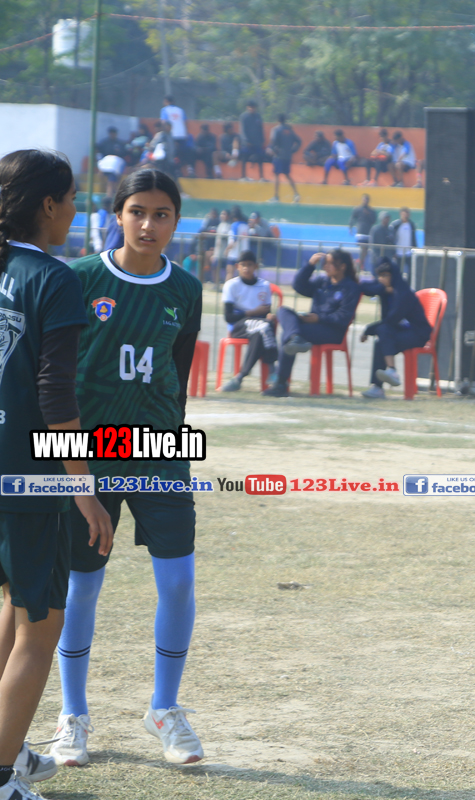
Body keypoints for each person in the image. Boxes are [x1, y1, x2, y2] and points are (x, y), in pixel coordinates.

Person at [47, 167, 205, 770]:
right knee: (83, 584)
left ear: (176, 221)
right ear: (118, 214)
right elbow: (54, 376)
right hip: (86, 450)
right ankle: (72, 716)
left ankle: (165, 709)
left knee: (179, 581)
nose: (148, 224)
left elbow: (178, 371)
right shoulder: (79, 277)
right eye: (137, 211)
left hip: (160, 448)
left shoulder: (185, 288)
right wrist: (69, 461)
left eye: (162, 214)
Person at [0, 149, 113, 800]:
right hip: (28, 478)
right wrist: (83, 489)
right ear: (48, 205)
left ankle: (4, 745)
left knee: (12, 607)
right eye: (72, 197)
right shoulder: (53, 278)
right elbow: (56, 397)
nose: (76, 209)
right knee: (40, 630)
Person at [263, 250, 360, 397]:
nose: (326, 266)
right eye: (325, 263)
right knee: (283, 311)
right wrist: (309, 266)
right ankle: (295, 338)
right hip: (313, 324)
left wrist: (319, 318)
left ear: (342, 266)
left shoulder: (351, 287)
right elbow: (298, 286)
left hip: (332, 331)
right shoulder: (322, 282)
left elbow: (343, 318)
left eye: (330, 263)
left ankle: (281, 383)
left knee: (287, 335)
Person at [359, 259, 433, 399]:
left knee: (383, 332)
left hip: (418, 333)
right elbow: (369, 289)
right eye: (379, 276)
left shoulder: (404, 294)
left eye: (384, 275)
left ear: (393, 276)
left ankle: (392, 371)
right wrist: (356, 282)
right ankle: (378, 387)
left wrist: (368, 330)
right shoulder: (385, 291)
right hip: (402, 330)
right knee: (380, 342)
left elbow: (392, 319)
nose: (381, 279)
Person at [218, 250, 277, 392]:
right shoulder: (231, 285)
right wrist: (252, 312)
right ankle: (273, 369)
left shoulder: (264, 285)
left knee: (262, 331)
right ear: (237, 266)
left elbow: (266, 313)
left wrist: (270, 315)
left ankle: (239, 377)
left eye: (250, 265)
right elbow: (228, 317)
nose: (246, 268)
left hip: (259, 327)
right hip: (238, 327)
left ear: (256, 266)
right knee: (265, 327)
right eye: (243, 265)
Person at [268, 115, 301, 204]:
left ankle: (276, 196)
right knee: (287, 175)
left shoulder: (276, 129)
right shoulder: (289, 130)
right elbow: (299, 141)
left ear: (277, 120)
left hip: (279, 156)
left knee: (276, 175)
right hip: (287, 156)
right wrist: (293, 150)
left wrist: (272, 149)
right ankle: (296, 194)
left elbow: (273, 141)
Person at [238, 100, 265, 181]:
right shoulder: (243, 116)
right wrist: (246, 141)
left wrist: (262, 140)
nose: (252, 109)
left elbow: (260, 129)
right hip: (247, 143)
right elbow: (242, 130)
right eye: (251, 107)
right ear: (247, 107)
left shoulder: (258, 116)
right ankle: (243, 176)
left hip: (257, 142)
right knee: (244, 158)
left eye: (253, 107)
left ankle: (261, 177)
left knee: (260, 158)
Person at [160, 96, 189, 169]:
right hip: (181, 134)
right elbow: (185, 122)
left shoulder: (164, 110)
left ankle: (172, 169)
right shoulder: (180, 110)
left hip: (171, 135)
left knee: (171, 153)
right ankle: (180, 169)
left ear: (166, 101)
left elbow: (164, 122)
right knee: (180, 154)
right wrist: (186, 134)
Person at [350, 195, 377, 266]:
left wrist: (368, 214)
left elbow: (374, 221)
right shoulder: (357, 209)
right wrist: (350, 227)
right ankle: (360, 263)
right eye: (364, 199)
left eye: (367, 200)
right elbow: (352, 218)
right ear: (362, 200)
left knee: (366, 250)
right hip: (360, 232)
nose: (365, 201)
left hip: (368, 233)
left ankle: (359, 262)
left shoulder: (371, 211)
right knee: (363, 248)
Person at [390, 208, 417, 277]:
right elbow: (392, 239)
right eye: (404, 214)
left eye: (407, 214)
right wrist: (393, 251)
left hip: (409, 252)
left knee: (410, 271)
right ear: (400, 214)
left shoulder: (411, 225)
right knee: (399, 271)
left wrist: (415, 248)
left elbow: (414, 238)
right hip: (399, 252)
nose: (405, 216)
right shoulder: (396, 225)